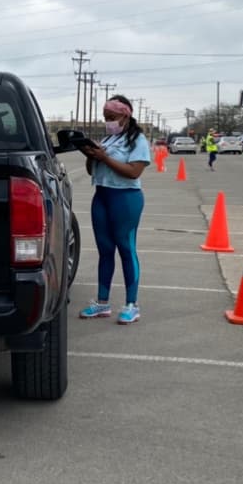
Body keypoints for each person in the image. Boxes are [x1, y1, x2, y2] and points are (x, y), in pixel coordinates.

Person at [76, 95, 151, 325]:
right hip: (102, 196)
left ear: (125, 115)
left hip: (125, 198)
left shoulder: (137, 140)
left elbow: (133, 172)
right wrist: (92, 156)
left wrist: (105, 157)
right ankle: (102, 302)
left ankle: (132, 304)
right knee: (105, 250)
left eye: (112, 117)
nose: (108, 121)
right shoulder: (108, 139)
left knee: (126, 248)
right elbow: (92, 171)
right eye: (105, 118)